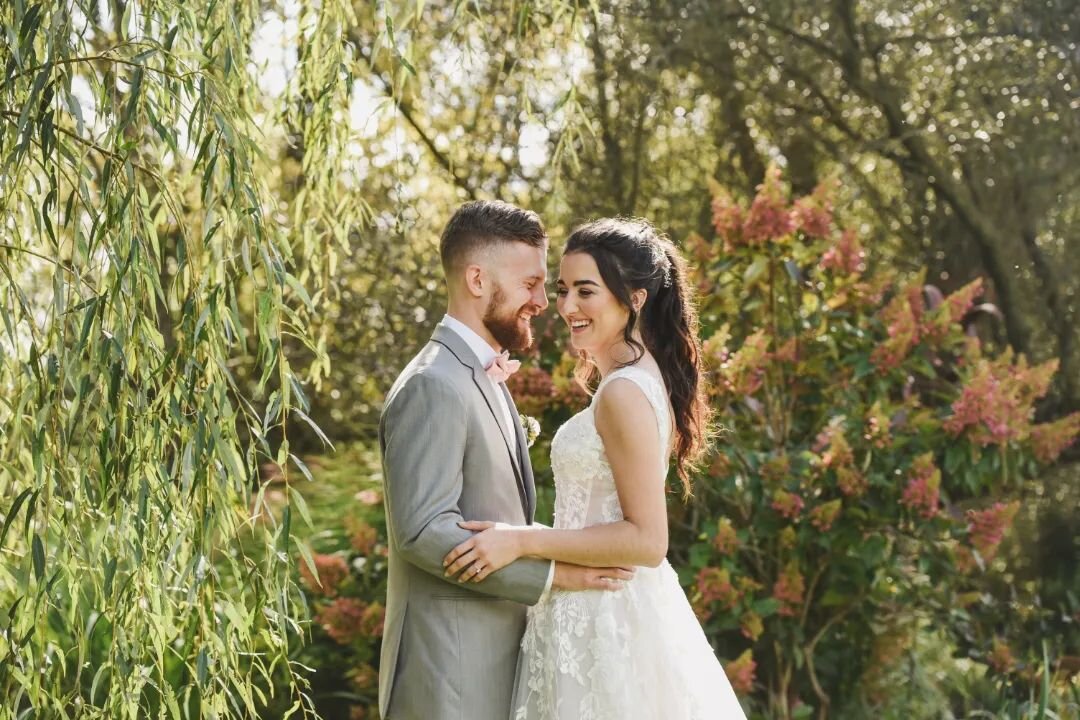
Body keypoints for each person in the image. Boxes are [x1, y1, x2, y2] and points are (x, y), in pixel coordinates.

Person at [442, 218, 747, 718]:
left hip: (607, 621)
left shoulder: (624, 392)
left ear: (636, 297)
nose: (566, 307)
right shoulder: (635, 379)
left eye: (586, 291)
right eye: (562, 290)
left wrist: (520, 540)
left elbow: (647, 541)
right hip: (593, 606)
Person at [378, 201, 634, 720]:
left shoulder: (477, 373)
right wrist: (556, 574)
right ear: (477, 279)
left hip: (493, 662)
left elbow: (500, 518)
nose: (545, 301)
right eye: (531, 284)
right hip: (449, 674)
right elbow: (424, 530)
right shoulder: (434, 384)